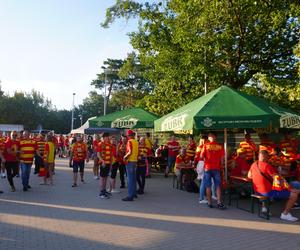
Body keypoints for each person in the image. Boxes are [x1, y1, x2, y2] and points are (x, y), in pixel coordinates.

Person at [248, 150, 300, 222]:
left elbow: (249, 176)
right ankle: (285, 214)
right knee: (294, 194)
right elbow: (277, 180)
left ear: (258, 156)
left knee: (293, 190)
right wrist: (287, 188)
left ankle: (264, 207)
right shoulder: (267, 166)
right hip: (267, 192)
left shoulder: (253, 164)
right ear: (266, 157)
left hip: (257, 191)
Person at [200, 132, 226, 209]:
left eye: (209, 136)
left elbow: (201, 156)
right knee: (218, 186)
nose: (209, 137)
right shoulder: (220, 146)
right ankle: (219, 202)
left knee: (208, 186)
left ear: (212, 137)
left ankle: (209, 202)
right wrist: (221, 165)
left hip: (208, 168)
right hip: (217, 168)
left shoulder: (205, 146)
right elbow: (222, 159)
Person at [123, 130, 139, 201]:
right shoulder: (136, 142)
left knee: (130, 179)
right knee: (133, 178)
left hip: (130, 161)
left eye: (128, 136)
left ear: (130, 136)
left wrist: (124, 157)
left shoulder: (129, 142)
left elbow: (130, 152)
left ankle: (130, 195)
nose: (127, 137)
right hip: (135, 161)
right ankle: (134, 193)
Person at [97, 133, 113, 198]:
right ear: (103, 138)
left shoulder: (109, 145)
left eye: (107, 137)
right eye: (106, 137)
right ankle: (101, 192)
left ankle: (104, 190)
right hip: (103, 163)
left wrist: (111, 164)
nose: (107, 138)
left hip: (108, 163)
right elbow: (98, 155)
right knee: (102, 178)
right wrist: (103, 161)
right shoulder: (100, 144)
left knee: (105, 177)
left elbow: (111, 155)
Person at [194, 135, 209, 203]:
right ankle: (202, 197)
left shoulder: (201, 147)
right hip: (202, 163)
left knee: (203, 180)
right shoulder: (201, 147)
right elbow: (197, 157)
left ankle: (203, 195)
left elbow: (196, 157)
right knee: (203, 181)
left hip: (202, 164)